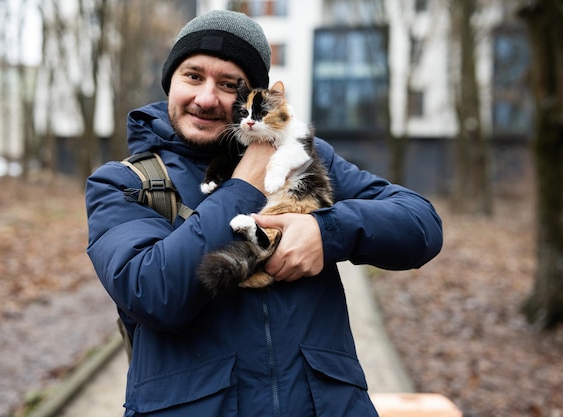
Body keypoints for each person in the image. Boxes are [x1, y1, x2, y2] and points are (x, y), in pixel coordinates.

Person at [86, 9, 442, 417]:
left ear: (251, 96)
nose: (206, 98)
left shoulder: (303, 154)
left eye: (228, 84)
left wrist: (326, 232)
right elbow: (153, 295)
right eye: (193, 76)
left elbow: (421, 223)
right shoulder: (124, 183)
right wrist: (244, 184)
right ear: (171, 81)